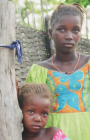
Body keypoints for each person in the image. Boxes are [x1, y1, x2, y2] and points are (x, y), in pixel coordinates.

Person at [26, 3, 90, 140]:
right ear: (50, 33)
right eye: (62, 30)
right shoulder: (39, 71)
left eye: (75, 30)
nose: (69, 36)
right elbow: (30, 111)